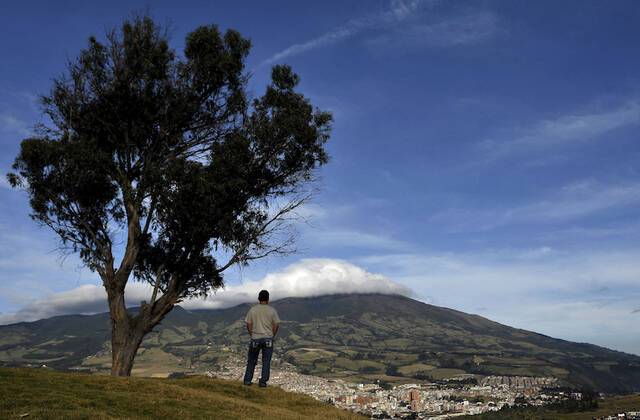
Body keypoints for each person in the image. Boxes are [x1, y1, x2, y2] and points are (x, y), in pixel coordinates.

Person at [243, 289, 281, 387]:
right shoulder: (272, 310)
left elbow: (248, 324)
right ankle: (263, 382)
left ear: (259, 299)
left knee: (252, 360)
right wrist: (272, 335)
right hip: (268, 338)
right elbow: (276, 324)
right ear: (268, 299)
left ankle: (247, 380)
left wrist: (252, 334)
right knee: (266, 361)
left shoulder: (253, 310)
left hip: (255, 338)